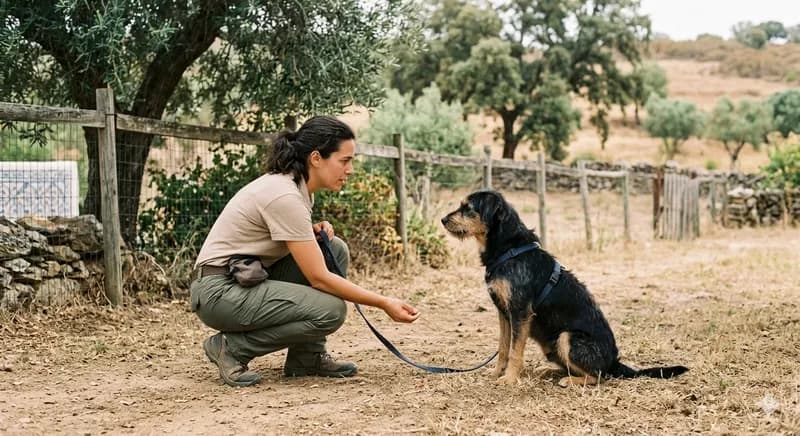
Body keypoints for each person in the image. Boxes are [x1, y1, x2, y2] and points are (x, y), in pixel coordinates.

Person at [190, 115, 420, 387]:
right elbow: (318, 278)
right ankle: (231, 348)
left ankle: (307, 357)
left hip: (241, 280)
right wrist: (383, 302)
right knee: (331, 310)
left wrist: (308, 230)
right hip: (218, 291)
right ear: (316, 158)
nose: (350, 169)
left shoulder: (296, 187)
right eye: (344, 161)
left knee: (333, 249)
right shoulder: (285, 195)